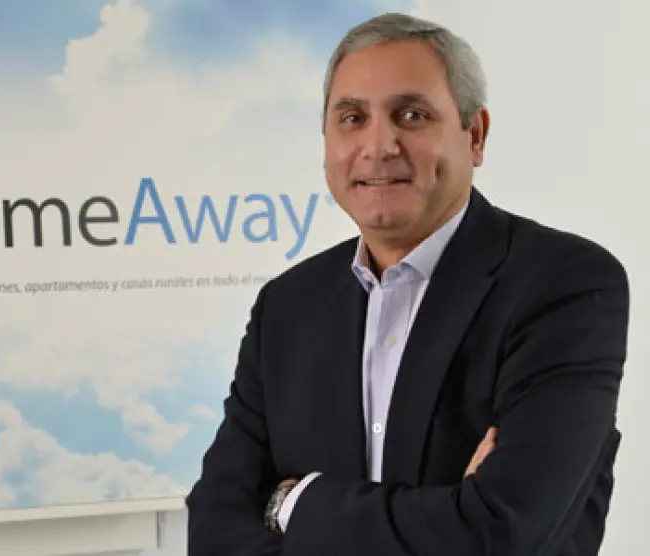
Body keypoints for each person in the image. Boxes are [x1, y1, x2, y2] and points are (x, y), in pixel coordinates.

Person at [185, 12, 629, 556]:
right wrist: (444, 513)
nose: (378, 145)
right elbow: (214, 530)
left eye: (412, 115)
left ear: (475, 135)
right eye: (352, 118)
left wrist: (294, 503)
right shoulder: (287, 306)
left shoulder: (564, 284)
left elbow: (500, 534)